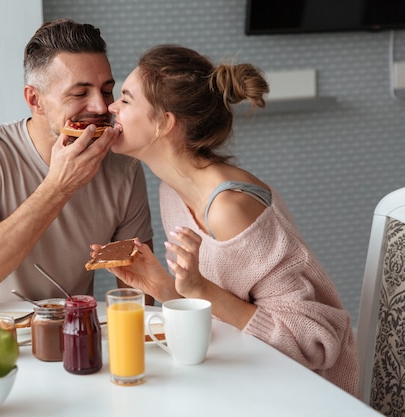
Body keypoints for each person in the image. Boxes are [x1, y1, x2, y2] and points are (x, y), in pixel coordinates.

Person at [101, 44, 359, 396]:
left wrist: (200, 289)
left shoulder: (229, 209)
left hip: (308, 395)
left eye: (126, 100)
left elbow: (313, 342)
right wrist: (165, 288)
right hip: (245, 378)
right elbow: (225, 309)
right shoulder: (171, 192)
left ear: (165, 123)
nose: (110, 107)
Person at [0, 19, 154, 305]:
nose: (102, 107)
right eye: (80, 93)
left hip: (73, 333)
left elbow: (138, 294)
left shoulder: (122, 166)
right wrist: (58, 186)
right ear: (35, 100)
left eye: (106, 90)